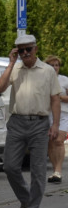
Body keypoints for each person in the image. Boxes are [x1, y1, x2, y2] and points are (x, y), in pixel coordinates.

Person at [0, 35, 61, 208]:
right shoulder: (15, 68)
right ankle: (26, 199)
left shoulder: (47, 71)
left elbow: (55, 99)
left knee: (38, 169)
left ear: (36, 49)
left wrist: (55, 124)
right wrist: (10, 64)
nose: (25, 53)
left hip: (40, 124)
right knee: (9, 166)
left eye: (28, 49)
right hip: (17, 122)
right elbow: (0, 88)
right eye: (21, 50)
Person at [43, 55, 68, 183]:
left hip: (63, 114)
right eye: (52, 65)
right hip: (47, 114)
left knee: (59, 141)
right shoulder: (43, 80)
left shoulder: (64, 80)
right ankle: (55, 171)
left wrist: (58, 97)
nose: (55, 67)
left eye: (57, 65)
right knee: (51, 142)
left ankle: (58, 171)